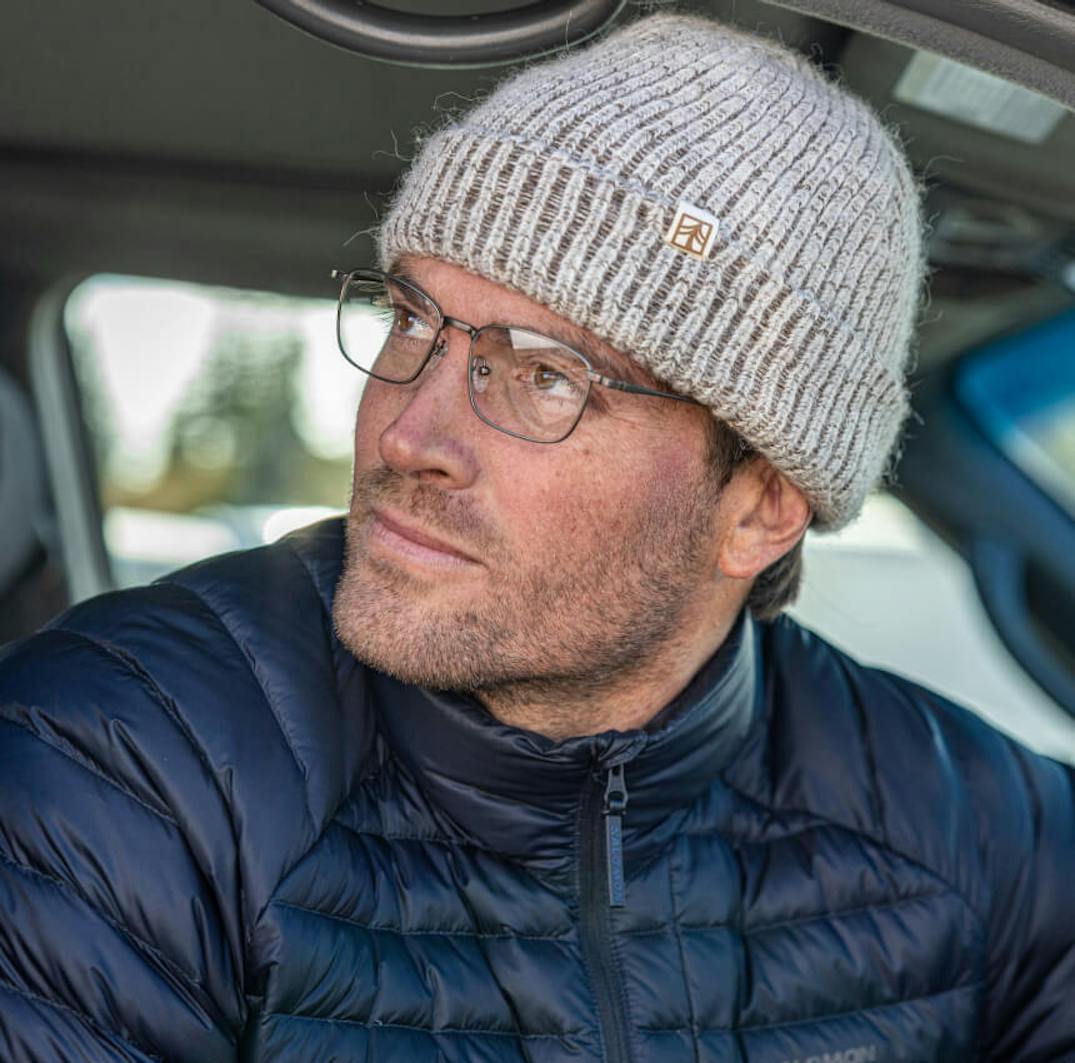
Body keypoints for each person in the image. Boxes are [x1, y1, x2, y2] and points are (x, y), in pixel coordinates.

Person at [1, 13, 1073, 1061]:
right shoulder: (123, 759)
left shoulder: (995, 842)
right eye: (413, 321)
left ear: (758, 505)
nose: (408, 431)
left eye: (544, 375)